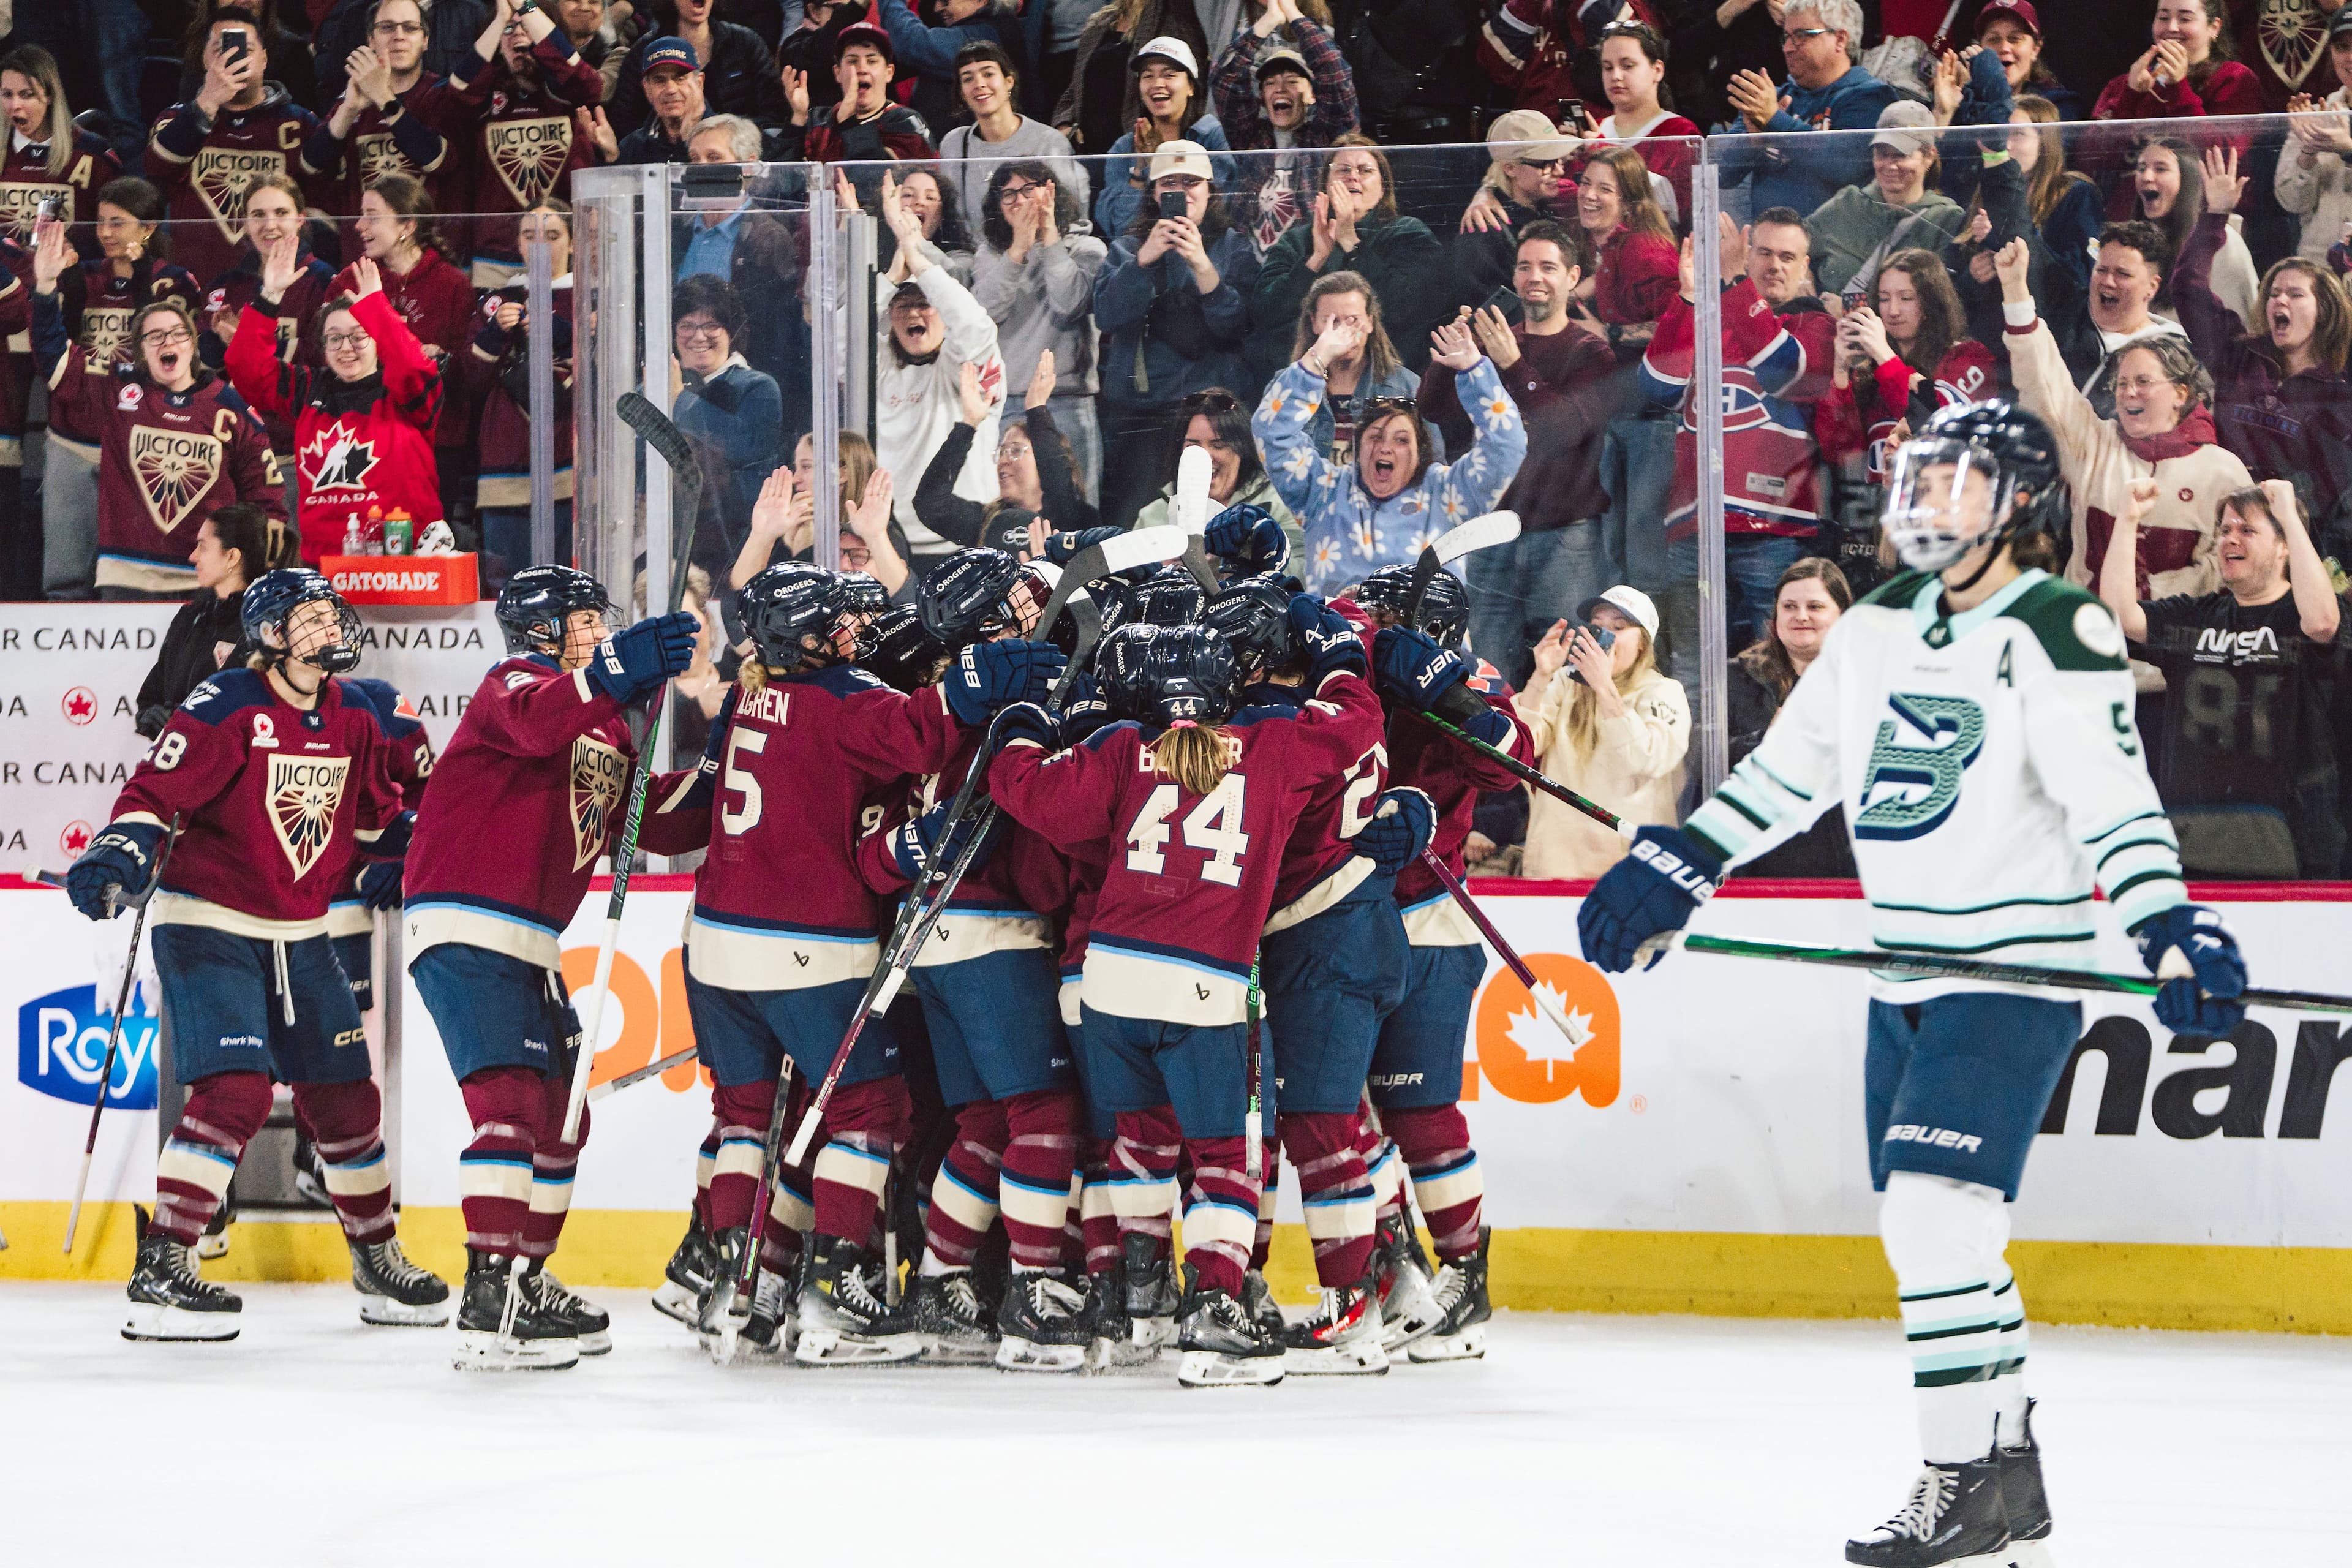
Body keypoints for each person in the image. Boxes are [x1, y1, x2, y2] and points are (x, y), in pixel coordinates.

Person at [1579, 397, 2244, 1568]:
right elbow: (1796, 772)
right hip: (1903, 979)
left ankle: (1955, 1477)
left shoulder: (2059, 626)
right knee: (1950, 1234)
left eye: (1954, 480)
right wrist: (1687, 860)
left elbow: (2113, 803)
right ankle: (2006, 1464)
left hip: (2013, 974)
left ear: (2017, 504)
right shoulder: (1880, 622)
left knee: (1931, 1220)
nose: (1925, 498)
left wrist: (2168, 925)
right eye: (1920, 478)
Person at [649, 561, 1058, 1363]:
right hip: (805, 944)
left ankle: (739, 1282)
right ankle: (835, 1295)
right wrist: (975, 681)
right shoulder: (842, 699)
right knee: (867, 1109)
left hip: (716, 941)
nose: (851, 631)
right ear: (799, 639)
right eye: (833, 624)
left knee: (746, 1117)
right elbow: (921, 733)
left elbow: (692, 806)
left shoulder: (744, 698)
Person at [986, 610, 1384, 1385]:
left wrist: (1019, 725)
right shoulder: (1275, 743)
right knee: (1227, 1157)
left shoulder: (1121, 747)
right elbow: (1359, 724)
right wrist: (1338, 655)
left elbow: (1030, 793)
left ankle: (1141, 1298)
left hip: (1108, 980)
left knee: (1138, 1138)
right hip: (1205, 984)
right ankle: (1213, 1308)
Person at [65, 568, 449, 1341]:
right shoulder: (227, 702)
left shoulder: (355, 712)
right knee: (235, 1093)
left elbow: (373, 823)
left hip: (302, 932)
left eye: (331, 615)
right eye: (311, 618)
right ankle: (164, 1263)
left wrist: (439, 839)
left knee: (347, 1097)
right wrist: (118, 851)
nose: (331, 628)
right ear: (272, 635)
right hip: (208, 923)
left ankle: (376, 1257)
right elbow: (154, 794)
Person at [403, 565, 699, 1370]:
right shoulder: (513, 683)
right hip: (467, 924)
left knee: (565, 1119)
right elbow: (537, 726)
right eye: (585, 621)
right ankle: (488, 1295)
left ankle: (524, 1281)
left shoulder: (605, 725)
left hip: (533, 945)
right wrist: (622, 670)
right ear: (542, 628)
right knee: (507, 1108)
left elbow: (649, 821)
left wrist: (729, 766)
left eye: (603, 623)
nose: (599, 632)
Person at [1351, 564, 1536, 1360]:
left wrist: (1444, 691)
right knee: (1339, 1112)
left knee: (1418, 1109)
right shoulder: (1344, 666)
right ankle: (1397, 1268)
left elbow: (1512, 762)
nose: (1375, 626)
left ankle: (1465, 1278)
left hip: (1428, 916)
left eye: (1390, 618)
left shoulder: (1471, 676)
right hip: (1334, 918)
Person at [2102, 476, 2343, 878]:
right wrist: (2127, 521)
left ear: (2284, 546)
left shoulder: (2302, 614)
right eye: (2226, 530)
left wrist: (2288, 515)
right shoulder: (2196, 616)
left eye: (2247, 530)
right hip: (2193, 832)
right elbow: (2120, 618)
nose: (2230, 539)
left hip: (2289, 837)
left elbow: (2322, 624)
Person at [29, 220, 281, 600]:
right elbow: (53, 358)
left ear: (193, 346)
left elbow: (268, 499)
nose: (168, 342)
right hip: (126, 575)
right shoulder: (118, 387)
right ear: (140, 351)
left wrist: (253, 572)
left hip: (205, 580)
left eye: (178, 334)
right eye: (155, 336)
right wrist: (47, 287)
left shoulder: (230, 406)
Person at [1995, 236, 2247, 608]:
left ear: (2180, 393)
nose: (2129, 393)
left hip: (2173, 638)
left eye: (2143, 382)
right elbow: (2045, 386)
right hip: (2084, 627)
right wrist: (2016, 289)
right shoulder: (2097, 444)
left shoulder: (2223, 472)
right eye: (2123, 383)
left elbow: (2229, 567)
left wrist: (2146, 598)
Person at [1421, 222, 1619, 685]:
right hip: (1490, 534)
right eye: (1525, 266)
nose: (1535, 277)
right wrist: (1451, 356)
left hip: (1565, 535)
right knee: (1488, 672)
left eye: (1548, 267)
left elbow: (1565, 429)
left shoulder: (1592, 353)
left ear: (1573, 276)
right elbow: (1433, 408)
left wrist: (1511, 364)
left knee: (1570, 674)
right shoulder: (1488, 345)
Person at [1642, 211, 1834, 677]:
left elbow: (1783, 373)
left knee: (1783, 662)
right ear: (1745, 256)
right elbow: (1660, 389)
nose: (1775, 265)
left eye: (1787, 256)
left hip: (1775, 526)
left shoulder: (1815, 324)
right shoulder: (1708, 317)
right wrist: (1689, 298)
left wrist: (1732, 286)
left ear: (1805, 267)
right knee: (1691, 667)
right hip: (1696, 522)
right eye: (1763, 253)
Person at [1256, 314, 1528, 595]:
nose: (1385, 448)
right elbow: (1272, 431)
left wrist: (1475, 372)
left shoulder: (1448, 492)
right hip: (1335, 623)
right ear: (1357, 448)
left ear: (1420, 452)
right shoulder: (1323, 493)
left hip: (1424, 624)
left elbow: (1507, 446)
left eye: (1401, 440)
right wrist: (1318, 358)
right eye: (1375, 437)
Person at [31, 178, 204, 599]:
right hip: (72, 440)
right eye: (101, 222)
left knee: (126, 581)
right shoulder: (83, 274)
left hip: (138, 443)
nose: (105, 233)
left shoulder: (176, 283)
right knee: (65, 580)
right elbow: (53, 346)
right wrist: (62, 283)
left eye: (117, 223)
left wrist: (141, 277)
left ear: (148, 228)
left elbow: (162, 357)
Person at [2174, 146, 2352, 535]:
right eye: (2273, 293)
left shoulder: (2341, 385)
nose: (2279, 300)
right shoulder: (2238, 354)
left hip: (2299, 537)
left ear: (2325, 311)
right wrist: (2215, 216)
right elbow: (2187, 289)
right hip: (2220, 523)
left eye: (2295, 294)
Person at [232, 251, 447, 568]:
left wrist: (377, 309)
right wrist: (270, 298)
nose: (346, 348)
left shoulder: (406, 393)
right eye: (334, 339)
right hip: (326, 569)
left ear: (378, 338)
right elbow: (247, 370)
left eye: (359, 336)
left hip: (405, 566)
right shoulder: (310, 387)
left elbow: (413, 366)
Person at [1095, 141, 1261, 530]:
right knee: (1134, 529)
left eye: (1191, 182)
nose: (1181, 192)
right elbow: (1107, 315)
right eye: (1170, 183)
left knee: (1212, 526)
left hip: (1209, 418)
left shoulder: (1234, 248)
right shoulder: (1127, 249)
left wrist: (1202, 266)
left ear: (1210, 190)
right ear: (1154, 193)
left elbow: (1238, 328)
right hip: (1140, 416)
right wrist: (1144, 261)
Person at [864, 173, 1001, 560]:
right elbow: (841, 341)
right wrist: (893, 276)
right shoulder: (881, 364)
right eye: (904, 306)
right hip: (893, 545)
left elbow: (974, 324)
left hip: (965, 540)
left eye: (925, 304)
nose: (915, 314)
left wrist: (917, 255)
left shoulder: (969, 364)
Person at [330, 175, 480, 529]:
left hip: (433, 444)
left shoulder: (453, 284)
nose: (359, 225)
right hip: (362, 437)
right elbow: (323, 351)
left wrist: (442, 360)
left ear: (407, 226)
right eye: (361, 215)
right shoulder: (347, 281)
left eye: (372, 216)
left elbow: (468, 372)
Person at [1515, 584, 1687, 877]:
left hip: (1628, 872)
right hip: (1556, 865)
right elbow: (1520, 746)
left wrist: (1604, 687)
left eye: (1618, 628)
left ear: (1643, 643)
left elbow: (1647, 760)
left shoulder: (1663, 692)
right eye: (1597, 626)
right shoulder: (1565, 684)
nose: (1603, 637)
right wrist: (1541, 675)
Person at [146, 12, 326, 289]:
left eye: (245, 49)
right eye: (220, 50)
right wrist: (207, 102)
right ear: (205, 59)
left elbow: (324, 195)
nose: (233, 59)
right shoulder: (176, 119)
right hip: (195, 284)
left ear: (264, 59)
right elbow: (156, 167)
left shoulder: (299, 123)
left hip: (279, 283)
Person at [1249, 135, 1445, 381]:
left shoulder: (1409, 233)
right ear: (1325, 186)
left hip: (1384, 377)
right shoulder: (1298, 240)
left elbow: (1408, 307)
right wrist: (1315, 260)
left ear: (1383, 188)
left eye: (1365, 170)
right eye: (1343, 170)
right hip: (1309, 376)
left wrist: (1351, 241)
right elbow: (1264, 312)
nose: (1353, 177)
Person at [970, 161, 1109, 502]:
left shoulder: (1087, 249)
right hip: (1007, 403)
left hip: (1067, 401)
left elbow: (1070, 303)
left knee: (1076, 509)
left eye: (1029, 190)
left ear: (1051, 193)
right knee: (1007, 509)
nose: (1019, 200)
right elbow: (983, 315)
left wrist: (1049, 238)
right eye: (1008, 194)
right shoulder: (990, 255)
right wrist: (1018, 250)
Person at [450, 0, 606, 287]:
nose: (519, 34)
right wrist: (500, 18)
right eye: (509, 30)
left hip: (563, 252)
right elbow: (458, 89)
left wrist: (525, 5)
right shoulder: (486, 96)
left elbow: (588, 82)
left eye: (527, 27)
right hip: (495, 257)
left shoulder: (566, 95)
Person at [199, 173, 337, 497]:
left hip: (297, 449)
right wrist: (220, 341)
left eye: (281, 213)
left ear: (300, 219)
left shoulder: (324, 281)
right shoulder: (227, 284)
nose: (269, 225)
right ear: (245, 223)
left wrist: (247, 343)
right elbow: (205, 368)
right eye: (258, 215)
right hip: (232, 448)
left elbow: (325, 363)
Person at [1817, 248, 1999, 488]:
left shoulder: (1969, 358)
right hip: (1879, 507)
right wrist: (1840, 374)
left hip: (1937, 502)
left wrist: (1883, 354)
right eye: (1884, 299)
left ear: (1931, 303)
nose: (1893, 311)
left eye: (1906, 298)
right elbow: (1841, 456)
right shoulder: (1868, 373)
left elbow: (1937, 424)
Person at [304, 0, 462, 262]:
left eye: (410, 28)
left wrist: (383, 97)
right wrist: (349, 109)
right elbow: (310, 165)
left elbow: (436, 159)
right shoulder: (352, 100)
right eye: (387, 27)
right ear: (371, 40)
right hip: (363, 260)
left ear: (425, 41)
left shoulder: (441, 95)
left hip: (428, 260)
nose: (399, 36)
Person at [1725, 555, 1853, 876]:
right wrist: (1764, 740)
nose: (1801, 616)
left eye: (1815, 607)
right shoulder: (1736, 676)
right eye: (1790, 607)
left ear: (1842, 615)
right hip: (1761, 864)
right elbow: (1702, 758)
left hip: (1846, 866)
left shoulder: (1870, 679)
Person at [471, 202, 576, 586]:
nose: (540, 246)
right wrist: (496, 333)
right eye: (530, 236)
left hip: (572, 467)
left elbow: (607, 375)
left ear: (573, 242)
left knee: (569, 587)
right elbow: (471, 382)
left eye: (553, 236)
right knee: (510, 589)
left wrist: (560, 332)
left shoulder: (592, 297)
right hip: (505, 468)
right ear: (517, 243)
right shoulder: (498, 300)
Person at [1716, 0, 1899, 219]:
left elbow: (1846, 167)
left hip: (1834, 239)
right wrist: (1753, 141)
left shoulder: (1870, 97)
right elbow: (1722, 174)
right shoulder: (1772, 98)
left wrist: (1774, 120)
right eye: (1786, 36)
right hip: (1768, 238)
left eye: (1801, 36)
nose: (1787, 48)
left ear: (1840, 39)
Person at [1208, 4, 1362, 258]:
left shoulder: (1327, 139)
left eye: (1292, 81)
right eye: (1270, 83)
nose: (1280, 89)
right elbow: (1225, 79)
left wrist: (1293, 13)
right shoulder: (1250, 139)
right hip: (1250, 268)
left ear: (1312, 95)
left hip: (1311, 262)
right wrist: (1269, 21)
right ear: (1262, 97)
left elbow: (1335, 73)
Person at [916, 352, 1100, 547]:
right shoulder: (989, 521)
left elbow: (1059, 486)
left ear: (1044, 457)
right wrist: (968, 424)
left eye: (1016, 451)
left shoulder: (1077, 519)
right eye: (1002, 452)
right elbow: (930, 503)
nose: (1003, 461)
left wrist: (1037, 410)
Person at [671, 272, 785, 573]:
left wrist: (679, 400)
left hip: (734, 544)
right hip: (668, 540)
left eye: (711, 325)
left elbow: (744, 447)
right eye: (687, 325)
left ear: (731, 332)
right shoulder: (653, 389)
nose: (699, 337)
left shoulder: (757, 386)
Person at [134, 502, 277, 736]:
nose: (193, 556)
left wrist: (195, 728)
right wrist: (151, 715)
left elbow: (265, 716)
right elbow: (151, 695)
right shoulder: (190, 617)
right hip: (177, 756)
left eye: (203, 547)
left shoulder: (266, 627)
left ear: (232, 556)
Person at [1804, 103, 1967, 304]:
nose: (1890, 165)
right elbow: (1796, 243)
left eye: (1901, 155)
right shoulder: (1848, 202)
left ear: (1929, 157)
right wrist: (1803, 277)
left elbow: (1936, 303)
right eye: (1882, 154)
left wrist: (1848, 309)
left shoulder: (1946, 219)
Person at [936, 40, 1089, 241]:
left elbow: (1073, 219)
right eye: (968, 78)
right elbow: (952, 223)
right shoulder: (954, 144)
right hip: (976, 258)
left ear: (1009, 81)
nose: (979, 84)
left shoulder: (1049, 142)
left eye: (988, 74)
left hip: (1039, 252)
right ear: (961, 93)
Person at [1276, 271, 1428, 468]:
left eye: (1353, 320)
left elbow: (1431, 465)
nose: (1344, 331)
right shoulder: (1288, 387)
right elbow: (1272, 460)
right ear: (1314, 323)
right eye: (1332, 321)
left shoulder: (1407, 387)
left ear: (1370, 322)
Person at [1129, 386, 1302, 555]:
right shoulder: (1152, 517)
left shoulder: (1283, 506)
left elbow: (1302, 567)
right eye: (1193, 445)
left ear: (1242, 450)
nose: (1204, 456)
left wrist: (1256, 555)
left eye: (1218, 445)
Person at [1093, 37, 1231, 239]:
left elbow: (1220, 213)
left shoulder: (1214, 138)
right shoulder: (1124, 148)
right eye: (1148, 76)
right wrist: (1141, 171)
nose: (1157, 84)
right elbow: (1122, 229)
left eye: (1169, 75)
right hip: (1146, 249)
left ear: (1191, 87)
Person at [2091, 0, 2264, 161]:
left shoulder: (2236, 79)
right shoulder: (2124, 84)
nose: (2172, 28)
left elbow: (2222, 155)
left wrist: (2179, 88)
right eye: (2163, 18)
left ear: (2214, 27)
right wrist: (2130, 96)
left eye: (2185, 19)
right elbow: (2091, 158)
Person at [1575, 19, 1700, 225]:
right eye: (1608, 67)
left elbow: (1683, 211)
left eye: (1628, 66)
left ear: (1657, 70)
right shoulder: (1593, 131)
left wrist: (1603, 152)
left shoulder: (1681, 133)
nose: (1616, 76)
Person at [1449, 108, 1575, 314]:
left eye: (1559, 159)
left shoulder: (1550, 204)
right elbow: (1491, 312)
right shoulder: (1484, 231)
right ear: (1510, 168)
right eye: (1546, 164)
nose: (1559, 171)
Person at [1567, 142, 1681, 355]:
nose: (1589, 194)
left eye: (1605, 189)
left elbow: (1681, 326)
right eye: (1586, 183)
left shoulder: (1649, 254)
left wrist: (1609, 333)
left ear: (1628, 203)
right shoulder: (1592, 235)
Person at [608, 0, 782, 140]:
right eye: (661, 79)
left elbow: (775, 115)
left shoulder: (745, 43)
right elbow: (625, 122)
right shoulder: (645, 52)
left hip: (739, 154)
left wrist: (726, 135)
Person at [2130, 135, 2256, 327]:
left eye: (2161, 169)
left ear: (2187, 179)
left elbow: (2240, 324)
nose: (2146, 177)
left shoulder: (2222, 242)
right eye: (2141, 169)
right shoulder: (2134, 240)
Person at [0, 47, 126, 233]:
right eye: (7, 94)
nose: (15, 105)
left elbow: (121, 229)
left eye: (27, 95)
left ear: (50, 95)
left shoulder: (94, 154)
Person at [775, 20, 937, 164]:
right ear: (838, 73)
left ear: (889, 73)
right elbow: (780, 181)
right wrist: (798, 119)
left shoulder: (906, 123)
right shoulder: (817, 121)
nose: (862, 69)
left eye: (872, 61)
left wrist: (848, 122)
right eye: (853, 61)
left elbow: (876, 180)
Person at [875, 0, 1029, 143]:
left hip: (974, 154)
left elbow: (913, 43)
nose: (938, 8)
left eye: (945, 1)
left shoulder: (988, 35)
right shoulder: (975, 30)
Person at [2278, 13, 2352, 266]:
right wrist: (2307, 153)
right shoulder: (2315, 116)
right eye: (2342, 47)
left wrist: (2348, 150)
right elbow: (2292, 202)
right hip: (2319, 267)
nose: (2350, 57)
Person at [1966, 1, 2085, 123]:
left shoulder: (2060, 104)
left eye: (2015, 39)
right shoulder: (1965, 101)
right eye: (1994, 39)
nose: (2004, 48)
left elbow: (2005, 135)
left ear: (2035, 49)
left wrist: (1993, 90)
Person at [612, 37, 709, 162]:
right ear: (647, 89)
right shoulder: (632, 147)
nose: (671, 90)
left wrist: (688, 140)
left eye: (680, 79)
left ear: (699, 83)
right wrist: (609, 157)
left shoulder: (726, 138)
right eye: (660, 80)